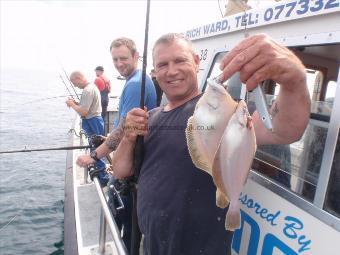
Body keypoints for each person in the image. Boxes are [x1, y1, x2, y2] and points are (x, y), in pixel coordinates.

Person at [77, 33, 311, 254]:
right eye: (162, 65)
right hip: (152, 244)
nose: (171, 71)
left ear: (197, 61)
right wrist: (129, 137)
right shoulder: (153, 117)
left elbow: (284, 131)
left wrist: (293, 78)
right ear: (155, 72)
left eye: (180, 61)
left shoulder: (228, 112)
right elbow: (120, 170)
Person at [77, 37, 157, 252]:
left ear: (136, 57)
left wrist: (94, 156)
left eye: (124, 58)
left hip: (133, 167)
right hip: (136, 159)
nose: (119, 64)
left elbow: (122, 129)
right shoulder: (138, 80)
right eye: (115, 59)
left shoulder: (134, 85)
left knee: (125, 221)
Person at [65, 71, 109, 186]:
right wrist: (76, 103)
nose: (74, 86)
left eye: (74, 82)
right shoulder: (91, 87)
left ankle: (103, 177)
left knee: (97, 146)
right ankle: (100, 172)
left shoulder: (88, 90)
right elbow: (85, 106)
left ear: (79, 78)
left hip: (93, 121)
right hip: (94, 120)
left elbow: (84, 111)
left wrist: (72, 104)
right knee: (94, 145)